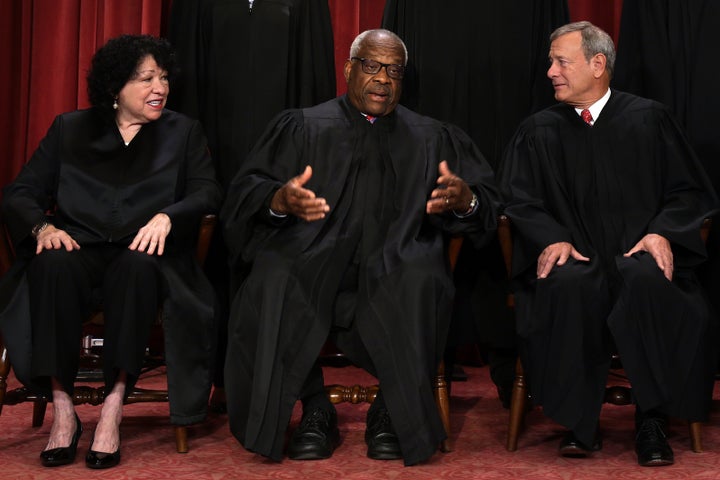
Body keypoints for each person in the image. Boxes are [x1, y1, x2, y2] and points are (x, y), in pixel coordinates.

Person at [221, 29, 499, 465]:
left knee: (422, 279)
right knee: (273, 279)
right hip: (312, 254)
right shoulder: (302, 126)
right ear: (349, 69)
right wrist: (278, 200)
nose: (383, 79)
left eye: (394, 70)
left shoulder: (432, 137)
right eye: (371, 66)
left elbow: (485, 205)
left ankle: (390, 410)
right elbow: (245, 193)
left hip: (398, 257)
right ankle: (316, 408)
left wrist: (467, 201)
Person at [498, 21, 718, 467]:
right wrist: (551, 237)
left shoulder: (649, 118)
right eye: (550, 61)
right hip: (576, 256)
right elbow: (518, 200)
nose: (550, 72)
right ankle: (580, 421)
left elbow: (690, 193)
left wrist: (662, 232)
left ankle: (652, 419)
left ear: (598, 64)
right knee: (570, 284)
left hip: (637, 253)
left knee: (647, 279)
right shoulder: (538, 130)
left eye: (561, 61)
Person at [0, 34, 221, 469]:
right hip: (80, 246)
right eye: (145, 79)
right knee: (52, 266)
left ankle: (112, 408)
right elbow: (19, 193)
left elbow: (208, 191)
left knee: (136, 269)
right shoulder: (70, 128)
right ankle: (64, 409)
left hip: (142, 253)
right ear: (115, 87)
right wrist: (42, 226)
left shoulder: (182, 133)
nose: (160, 87)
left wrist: (170, 215)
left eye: (163, 77)